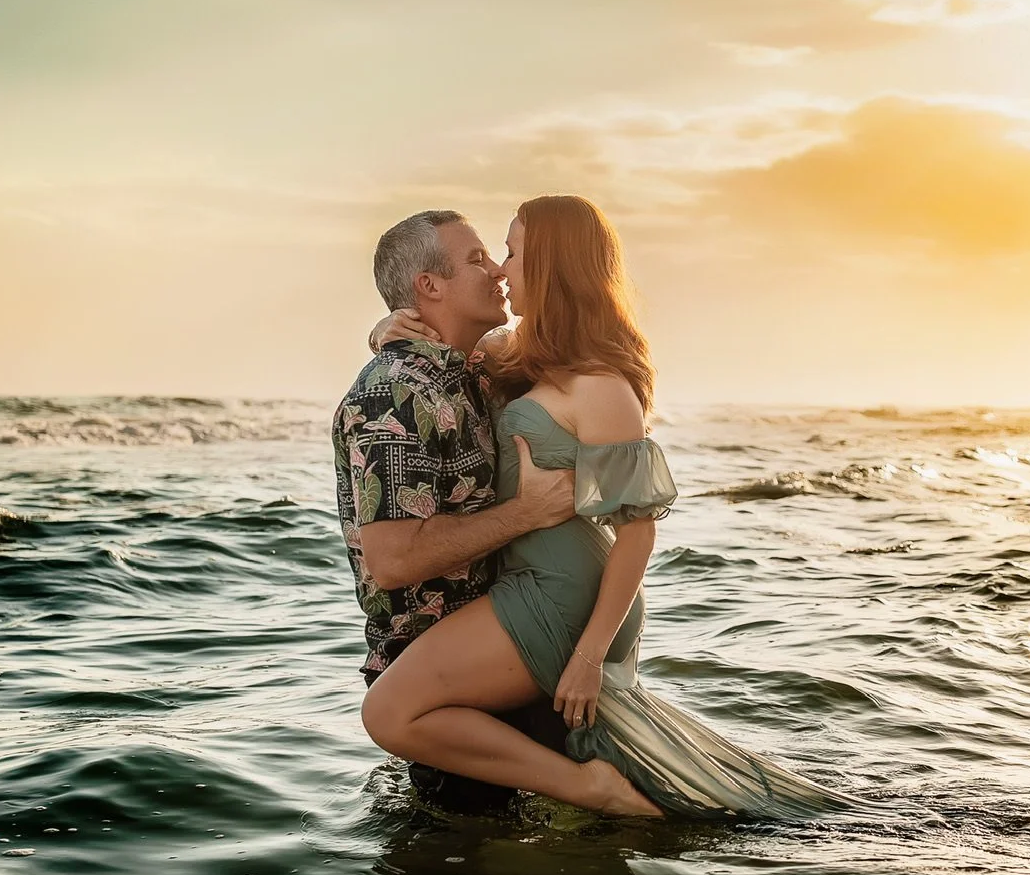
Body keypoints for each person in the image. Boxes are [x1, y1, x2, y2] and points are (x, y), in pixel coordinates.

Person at [360, 195, 846, 821]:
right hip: (528, 583)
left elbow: (637, 535)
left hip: (563, 593)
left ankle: (592, 789)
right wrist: (385, 331)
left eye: (511, 253)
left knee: (391, 713)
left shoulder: (602, 387)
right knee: (399, 713)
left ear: (555, 266)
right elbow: (453, 358)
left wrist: (589, 659)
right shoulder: (522, 357)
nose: (503, 271)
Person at [333, 208, 578, 813]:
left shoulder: (475, 371)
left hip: (512, 645)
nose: (496, 269)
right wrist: (527, 514)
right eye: (475, 259)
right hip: (436, 681)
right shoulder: (392, 391)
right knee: (468, 861)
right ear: (429, 286)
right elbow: (392, 561)